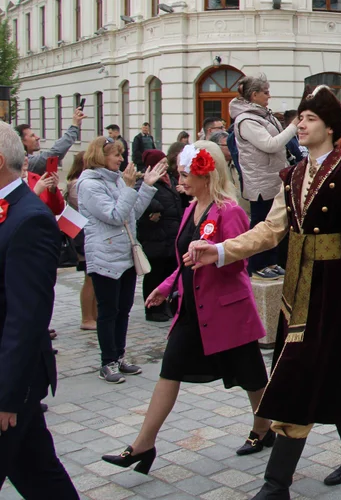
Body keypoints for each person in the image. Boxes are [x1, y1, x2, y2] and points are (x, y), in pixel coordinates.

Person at [185, 86, 341, 496]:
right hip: (297, 289)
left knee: (297, 373)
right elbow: (271, 229)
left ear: (331, 127)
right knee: (333, 369)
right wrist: (223, 250)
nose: (300, 123)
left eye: (310, 118)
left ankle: (276, 481)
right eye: (299, 116)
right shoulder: (295, 174)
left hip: (332, 291)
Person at [102, 142, 272, 474]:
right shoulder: (190, 208)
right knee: (169, 372)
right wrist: (165, 288)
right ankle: (143, 445)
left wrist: (213, 251)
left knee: (252, 377)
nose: (180, 181)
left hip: (228, 312)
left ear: (205, 174)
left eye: (184, 174)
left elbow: (241, 263)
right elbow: (184, 264)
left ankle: (264, 429)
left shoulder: (230, 211)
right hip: (193, 312)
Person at [0, 122, 80, 499]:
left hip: (11, 378)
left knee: (39, 474)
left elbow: (26, 317)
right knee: (40, 475)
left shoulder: (28, 219)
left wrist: (7, 396)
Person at [79, 137, 168, 383]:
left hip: (126, 253)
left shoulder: (118, 179)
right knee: (108, 311)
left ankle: (119, 357)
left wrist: (147, 186)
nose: (121, 159)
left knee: (124, 310)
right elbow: (115, 215)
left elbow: (133, 213)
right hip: (105, 255)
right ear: (100, 156)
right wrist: (130, 188)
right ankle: (107, 362)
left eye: (121, 154)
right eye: (116, 155)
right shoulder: (89, 184)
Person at [230, 74, 298, 277]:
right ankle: (258, 264)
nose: (269, 96)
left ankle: (271, 261)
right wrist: (292, 126)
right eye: (266, 92)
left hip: (274, 178)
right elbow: (270, 144)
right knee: (262, 223)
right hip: (261, 182)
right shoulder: (246, 120)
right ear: (254, 94)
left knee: (276, 222)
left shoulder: (261, 115)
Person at [135, 149, 184, 323]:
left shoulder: (170, 179)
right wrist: (156, 208)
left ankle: (168, 306)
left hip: (171, 234)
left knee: (169, 272)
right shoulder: (146, 181)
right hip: (155, 236)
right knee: (155, 274)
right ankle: (153, 309)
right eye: (160, 163)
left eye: (165, 162)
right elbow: (138, 199)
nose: (164, 165)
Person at [65, 153, 97, 331]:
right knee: (89, 278)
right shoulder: (76, 184)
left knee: (92, 278)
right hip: (81, 236)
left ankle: (94, 314)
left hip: (85, 234)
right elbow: (84, 207)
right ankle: (87, 317)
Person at [18, 106, 84, 176]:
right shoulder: (27, 162)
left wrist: (53, 187)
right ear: (21, 141)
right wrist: (74, 126)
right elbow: (55, 153)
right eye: (32, 136)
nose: (37, 137)